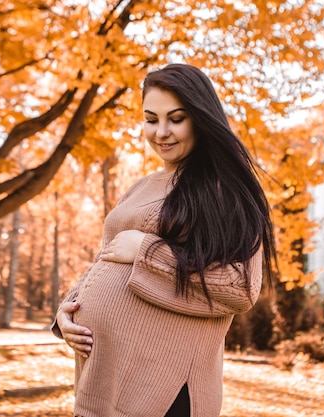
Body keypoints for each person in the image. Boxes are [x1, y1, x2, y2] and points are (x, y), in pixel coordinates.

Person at [52, 63, 276, 417]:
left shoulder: (223, 191)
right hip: (105, 375)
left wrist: (146, 251)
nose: (161, 132)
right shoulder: (142, 186)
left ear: (201, 118)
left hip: (166, 393)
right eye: (151, 119)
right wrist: (69, 311)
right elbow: (108, 258)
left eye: (176, 118)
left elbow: (241, 287)